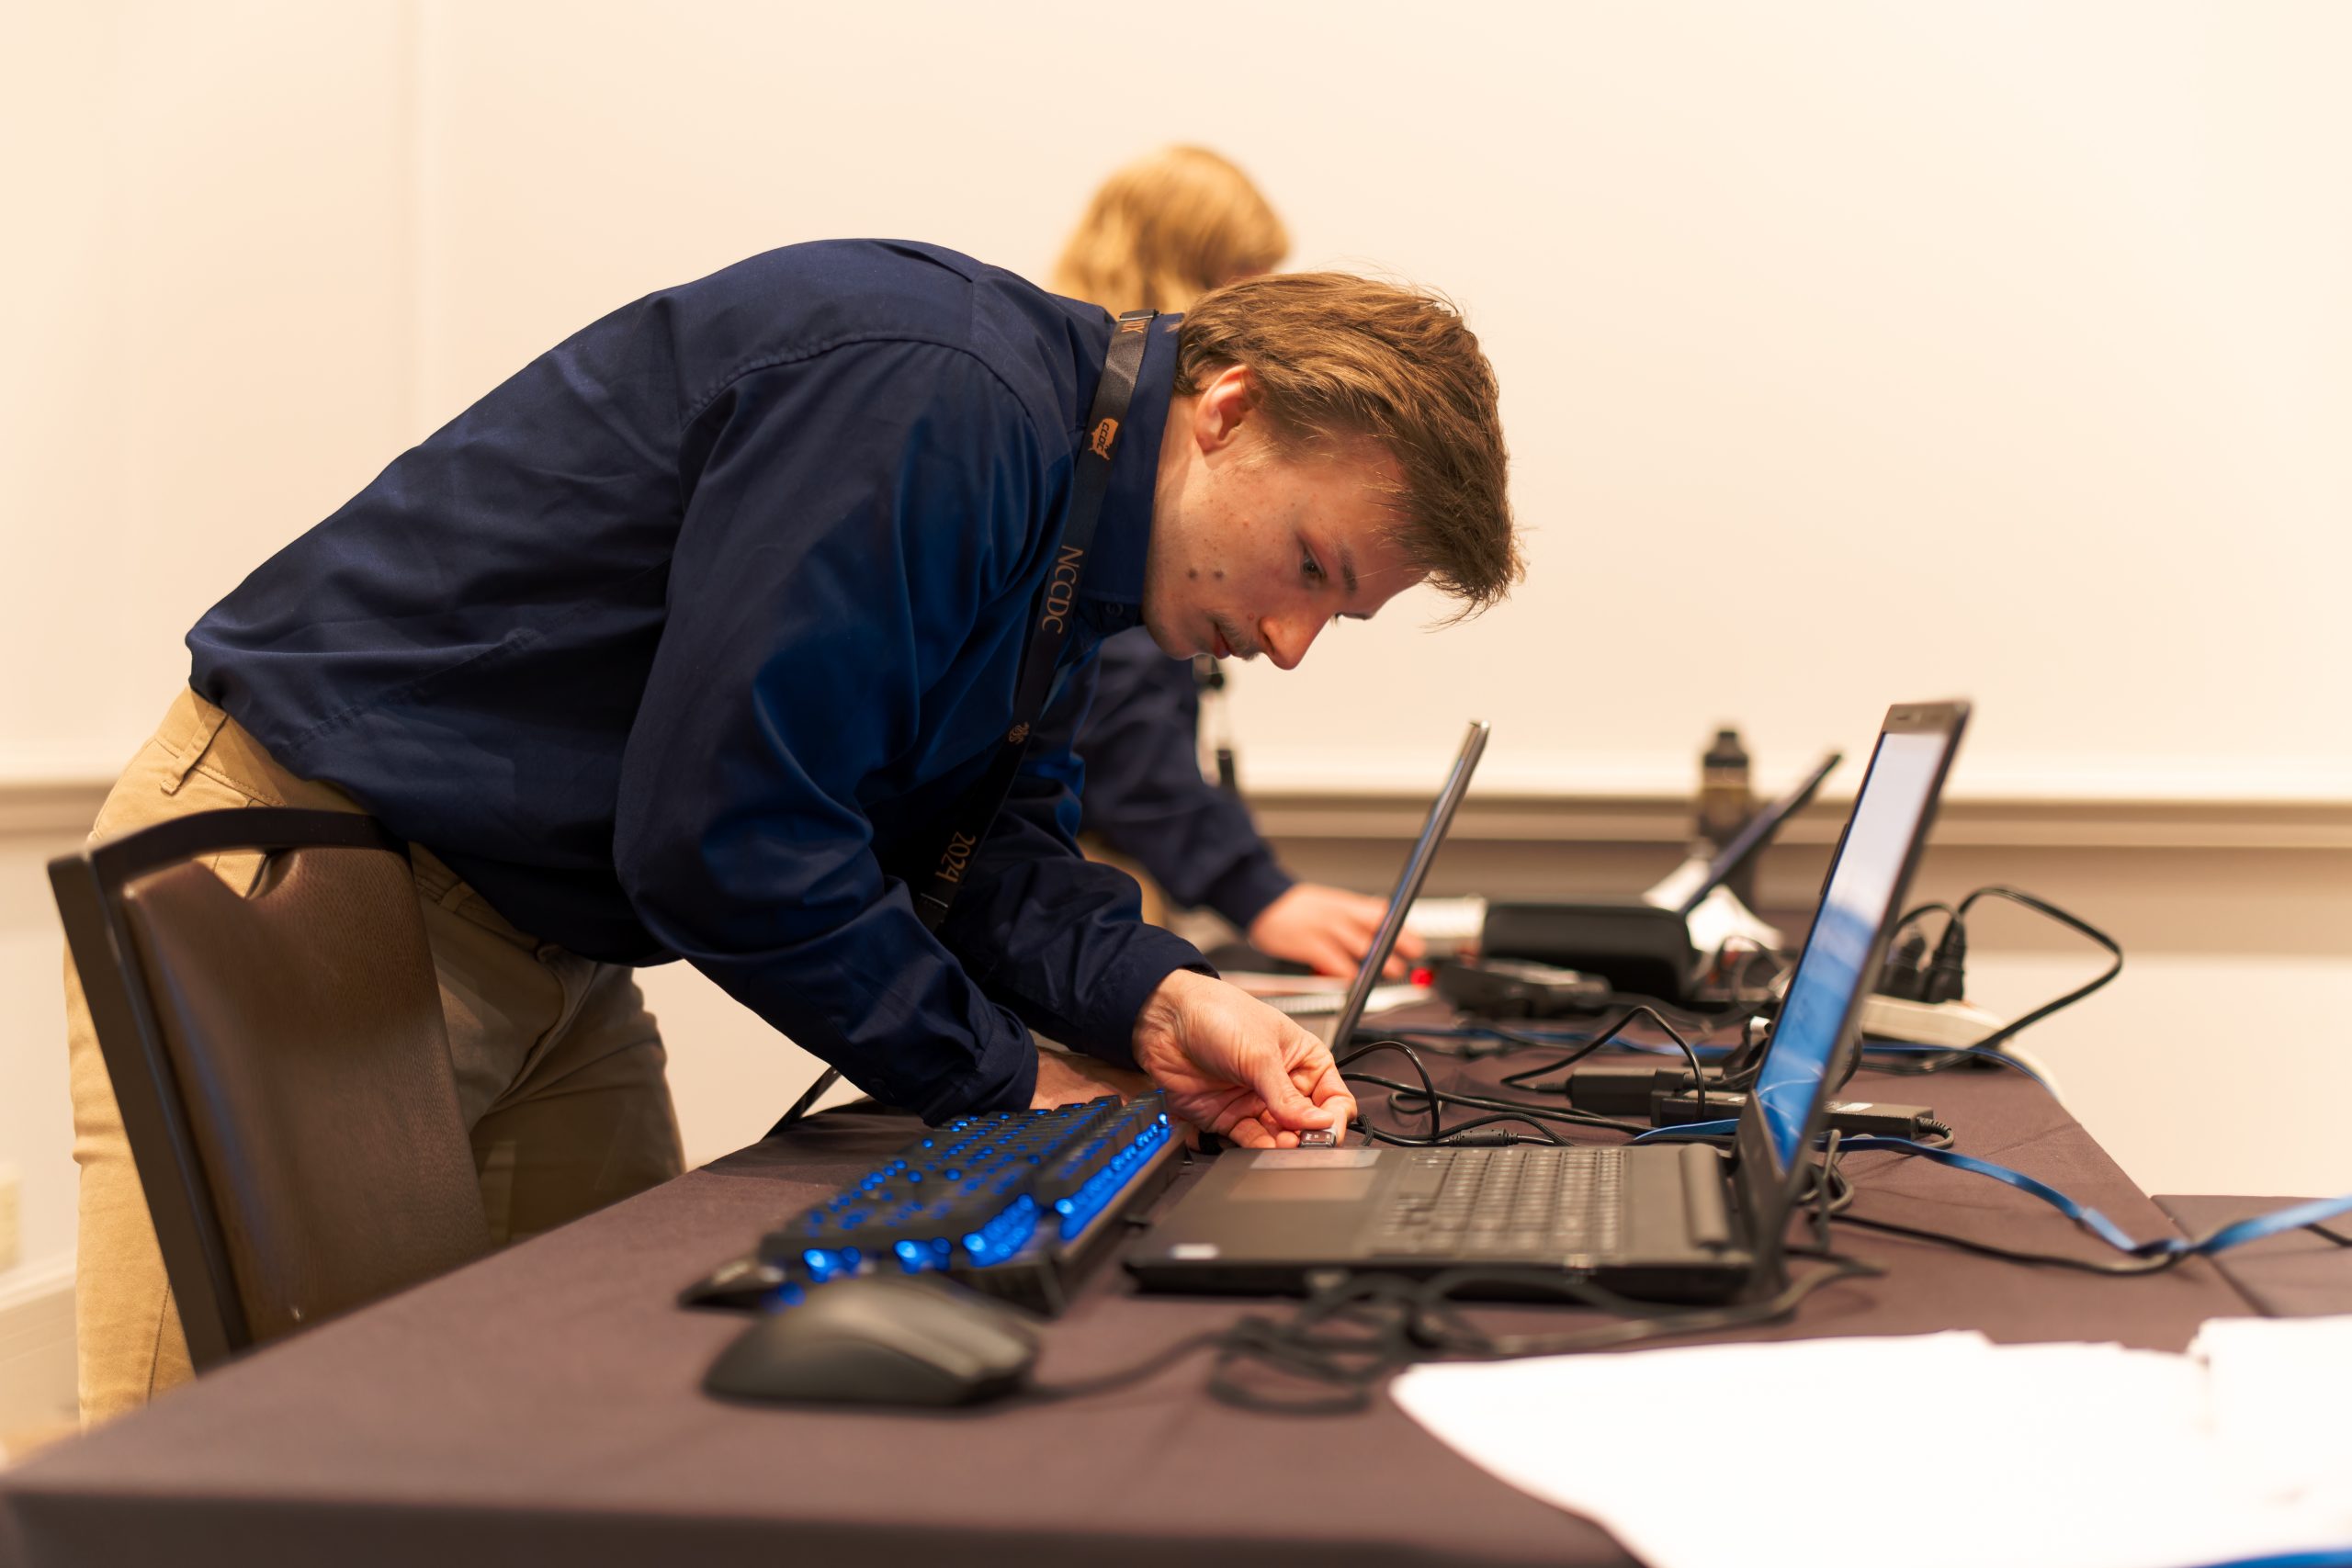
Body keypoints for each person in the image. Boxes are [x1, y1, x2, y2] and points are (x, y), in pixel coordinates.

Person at [65, 238, 1519, 1420]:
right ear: (1229, 409)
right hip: (312, 865)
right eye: (1312, 567)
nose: (1289, 641)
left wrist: (1156, 997)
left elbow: (988, 842)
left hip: (549, 938)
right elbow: (732, 829)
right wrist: (1008, 1073)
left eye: (1340, 613)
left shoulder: (1077, 520)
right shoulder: (939, 400)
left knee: (611, 1421)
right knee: (203, 1464)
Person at [1052, 146, 1422, 978]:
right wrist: (1257, 892)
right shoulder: (1116, 460)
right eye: (1246, 278)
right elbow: (1117, 726)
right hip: (1073, 867)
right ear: (1177, 269)